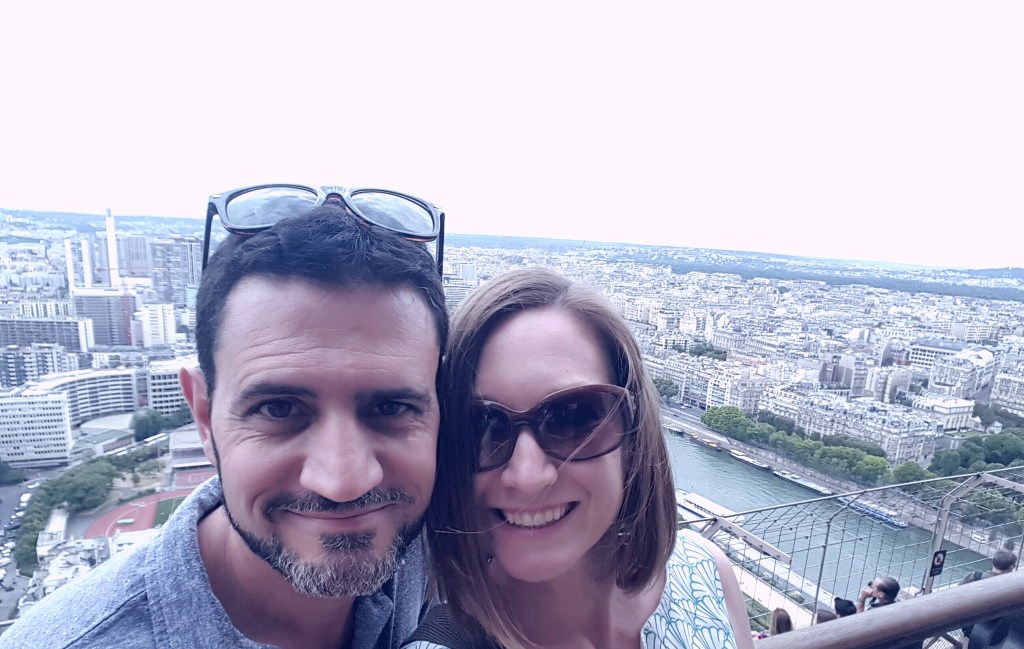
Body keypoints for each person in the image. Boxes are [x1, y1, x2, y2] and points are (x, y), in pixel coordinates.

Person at [0, 187, 448, 649]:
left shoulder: (460, 536)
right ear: (203, 415)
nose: (343, 481)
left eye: (391, 408)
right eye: (278, 409)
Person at [403, 268, 754, 649]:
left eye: (572, 418)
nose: (527, 476)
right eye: (483, 426)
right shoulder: (703, 586)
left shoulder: (708, 574)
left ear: (633, 437)